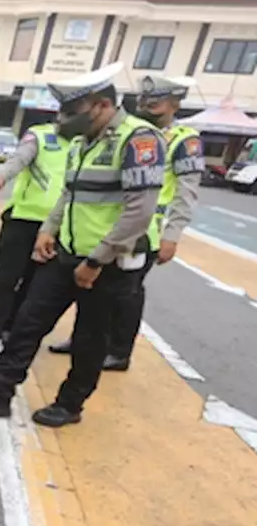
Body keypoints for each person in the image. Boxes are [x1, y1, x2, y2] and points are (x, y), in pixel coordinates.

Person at [0, 63, 164, 427]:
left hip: (108, 264)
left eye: (72, 111)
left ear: (99, 105)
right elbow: (69, 194)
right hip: (67, 254)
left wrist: (96, 260)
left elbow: (138, 212)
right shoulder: (84, 143)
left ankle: (69, 405)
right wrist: (48, 230)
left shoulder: (138, 140)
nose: (64, 120)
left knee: (89, 338)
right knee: (27, 322)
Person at [48, 75, 202, 370]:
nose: (146, 107)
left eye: (154, 103)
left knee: (126, 298)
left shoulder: (184, 139)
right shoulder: (121, 133)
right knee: (90, 294)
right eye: (143, 101)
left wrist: (173, 234)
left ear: (175, 104)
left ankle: (119, 350)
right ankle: (83, 340)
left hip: (145, 234)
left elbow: (187, 192)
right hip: (106, 227)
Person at [0, 120, 70, 360]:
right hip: (23, 220)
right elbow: (18, 160)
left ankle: (10, 330)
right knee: (6, 279)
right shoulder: (41, 135)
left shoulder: (87, 143)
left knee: (33, 285)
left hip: (58, 228)